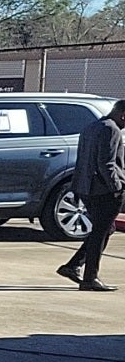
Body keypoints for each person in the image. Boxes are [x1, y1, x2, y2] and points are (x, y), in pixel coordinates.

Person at [57, 98, 125, 292]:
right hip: (103, 190)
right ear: (123, 115)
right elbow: (107, 164)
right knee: (100, 233)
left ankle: (72, 266)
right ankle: (90, 277)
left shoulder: (92, 127)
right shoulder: (111, 130)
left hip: (86, 187)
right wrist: (116, 187)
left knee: (105, 229)